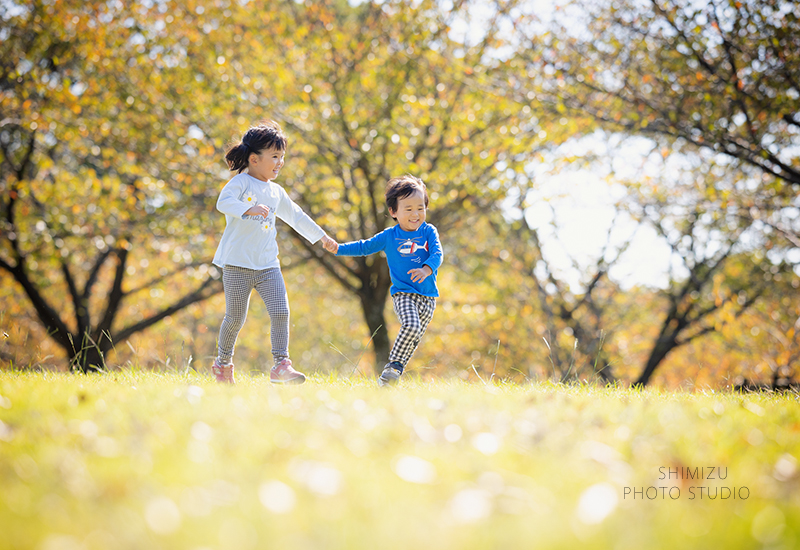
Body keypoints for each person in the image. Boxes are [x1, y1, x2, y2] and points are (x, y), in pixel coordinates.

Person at [211, 120, 336, 384]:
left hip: (268, 265)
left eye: (282, 157)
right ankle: (222, 365)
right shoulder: (241, 183)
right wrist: (248, 209)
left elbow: (297, 217)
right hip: (237, 264)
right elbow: (223, 202)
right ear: (254, 159)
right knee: (235, 318)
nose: (280, 163)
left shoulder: (276, 191)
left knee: (281, 312)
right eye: (275, 157)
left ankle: (281, 365)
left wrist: (322, 237)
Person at [322, 175, 443, 386]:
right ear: (393, 212)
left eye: (420, 208)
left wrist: (426, 269)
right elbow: (364, 246)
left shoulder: (428, 231)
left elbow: (437, 254)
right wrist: (339, 248)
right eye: (408, 209)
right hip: (404, 292)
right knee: (411, 326)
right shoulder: (390, 236)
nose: (416, 214)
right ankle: (392, 366)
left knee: (413, 338)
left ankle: (391, 376)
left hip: (428, 296)